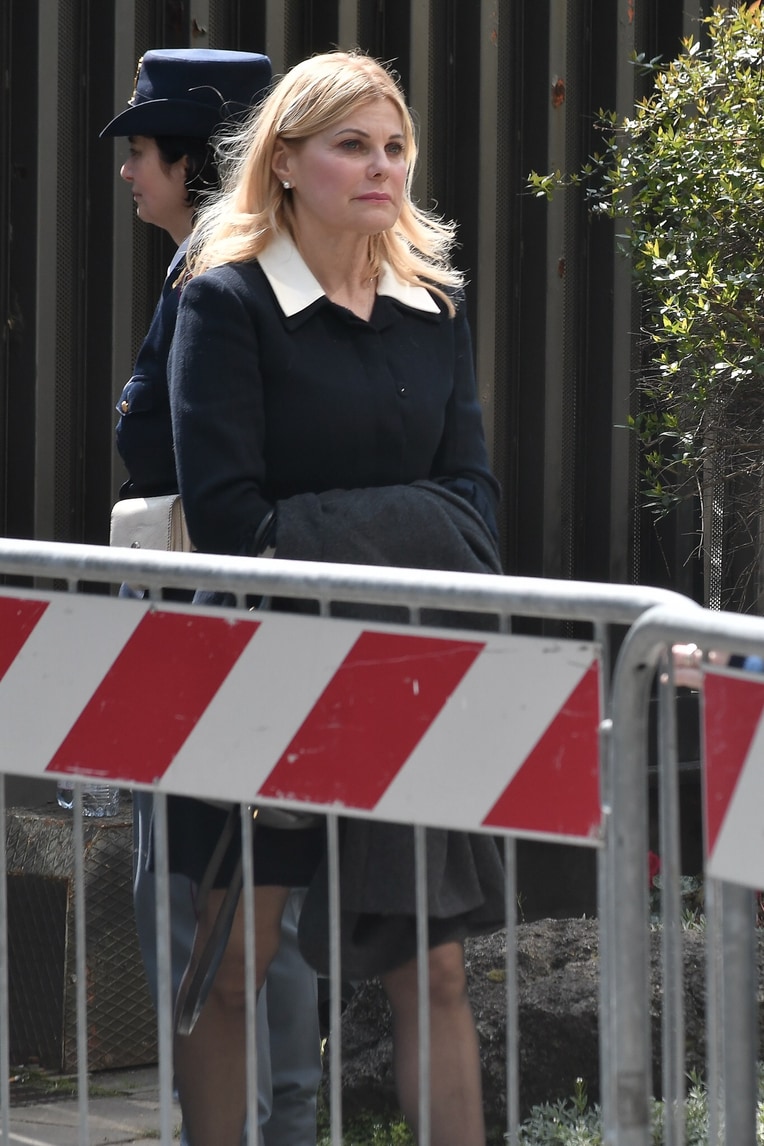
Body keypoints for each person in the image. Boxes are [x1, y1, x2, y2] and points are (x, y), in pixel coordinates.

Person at [167, 49, 506, 1146]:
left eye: (395, 147)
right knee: (233, 964)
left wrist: (361, 525)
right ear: (284, 161)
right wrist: (412, 522)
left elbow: (475, 511)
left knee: (435, 972)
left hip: (401, 674)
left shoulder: (435, 310)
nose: (381, 167)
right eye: (351, 145)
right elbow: (234, 521)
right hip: (255, 674)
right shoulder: (224, 303)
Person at [99, 47, 322, 1146]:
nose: (128, 172)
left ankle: (253, 1127)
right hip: (232, 627)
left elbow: (185, 458)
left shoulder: (215, 282)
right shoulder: (254, 270)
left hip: (209, 629)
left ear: (192, 159)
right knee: (251, 900)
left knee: (200, 905)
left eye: (141, 150)